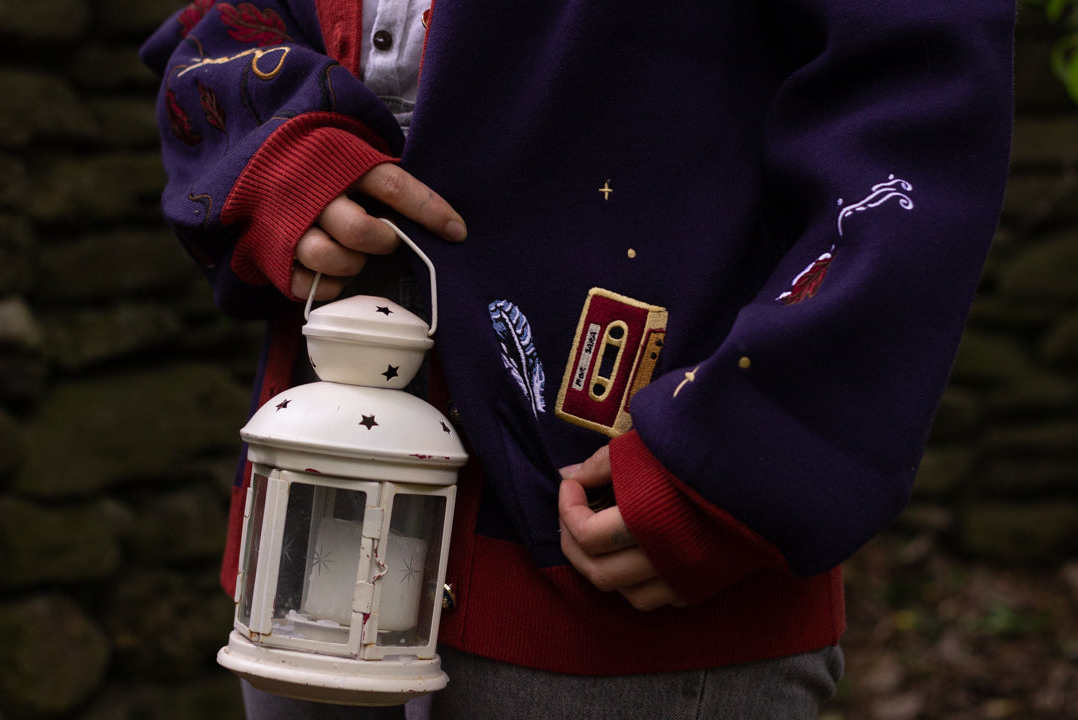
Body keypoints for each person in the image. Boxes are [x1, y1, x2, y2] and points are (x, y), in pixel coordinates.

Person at [142, 1, 1015, 718]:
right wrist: (272, 143)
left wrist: (747, 450)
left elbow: (919, 112)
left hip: (621, 607)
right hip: (305, 574)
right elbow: (235, 23)